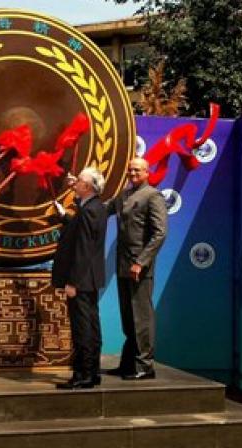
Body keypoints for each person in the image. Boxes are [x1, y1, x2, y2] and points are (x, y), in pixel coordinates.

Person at [106, 157, 167, 380]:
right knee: (128, 317)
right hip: (122, 265)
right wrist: (80, 203)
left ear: (147, 172)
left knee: (141, 317)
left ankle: (145, 366)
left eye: (137, 170)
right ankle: (129, 363)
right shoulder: (124, 195)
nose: (132, 173)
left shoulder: (153, 196)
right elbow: (102, 211)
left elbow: (160, 233)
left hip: (139, 266)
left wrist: (141, 261)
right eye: (130, 169)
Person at [52, 168, 108, 389]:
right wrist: (66, 216)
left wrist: (73, 282)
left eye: (80, 181)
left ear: (88, 186)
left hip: (81, 280)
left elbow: (83, 249)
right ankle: (92, 372)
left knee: (82, 328)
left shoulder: (88, 212)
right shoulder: (95, 207)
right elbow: (80, 230)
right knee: (92, 325)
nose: (75, 184)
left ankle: (83, 375)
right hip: (90, 278)